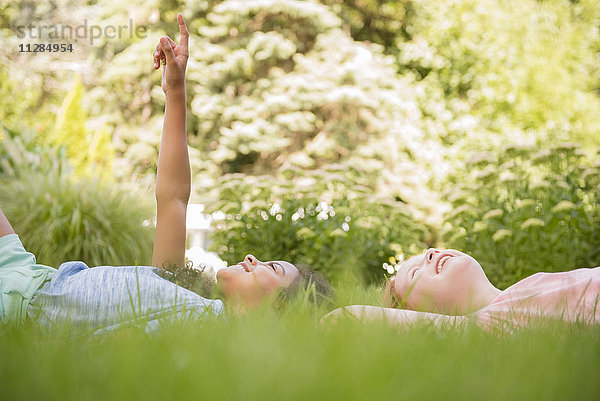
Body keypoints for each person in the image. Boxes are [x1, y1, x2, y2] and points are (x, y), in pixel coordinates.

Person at [0, 13, 330, 336]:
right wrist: (175, 91)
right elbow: (173, 198)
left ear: (280, 310)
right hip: (27, 270)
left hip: (17, 307)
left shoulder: (199, 331)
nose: (251, 259)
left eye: (271, 268)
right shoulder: (186, 293)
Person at [324, 248, 600, 330]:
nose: (431, 252)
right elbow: (343, 319)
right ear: (418, 313)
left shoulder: (525, 288)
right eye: (417, 271)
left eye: (425, 253)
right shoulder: (491, 324)